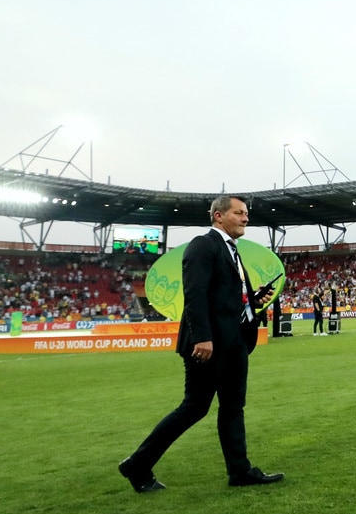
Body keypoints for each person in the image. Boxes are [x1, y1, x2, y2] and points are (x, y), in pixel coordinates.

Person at [119, 195, 284, 492]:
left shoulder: (231, 250)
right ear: (219, 216)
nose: (246, 218)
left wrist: (252, 299)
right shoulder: (202, 245)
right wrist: (202, 337)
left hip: (234, 342)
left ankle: (240, 471)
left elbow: (223, 297)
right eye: (239, 213)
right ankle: (137, 465)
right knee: (194, 407)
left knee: (233, 407)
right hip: (209, 344)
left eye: (247, 213)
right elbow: (194, 295)